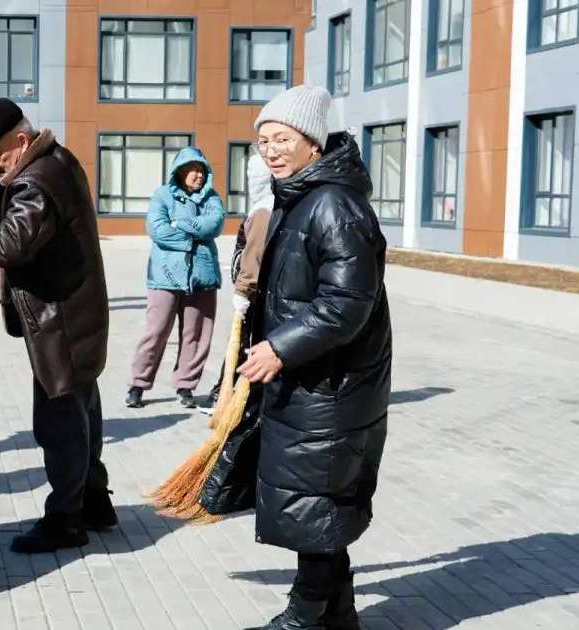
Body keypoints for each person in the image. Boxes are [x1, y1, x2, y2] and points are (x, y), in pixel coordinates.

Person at [236, 85, 391, 630]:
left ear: (314, 144)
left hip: (333, 388)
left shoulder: (335, 205)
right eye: (263, 142)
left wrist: (280, 346)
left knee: (318, 507)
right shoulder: (298, 196)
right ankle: (340, 618)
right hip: (312, 382)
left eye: (283, 139)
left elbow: (348, 302)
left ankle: (301, 619)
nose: (271, 150)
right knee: (320, 505)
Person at [0, 98, 114, 554]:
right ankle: (95, 501)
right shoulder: (58, 161)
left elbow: (9, 244)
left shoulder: (37, 181)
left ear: (21, 141)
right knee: (83, 410)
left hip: (59, 323)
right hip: (75, 317)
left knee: (58, 421)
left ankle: (65, 519)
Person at [125, 147, 225, 410]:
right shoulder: (162, 195)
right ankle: (137, 385)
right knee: (155, 331)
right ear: (180, 171)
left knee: (196, 334)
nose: (199, 175)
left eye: (202, 170)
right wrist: (194, 236)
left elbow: (214, 225)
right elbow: (157, 230)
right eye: (193, 170)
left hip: (202, 277)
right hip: (164, 277)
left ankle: (185, 386)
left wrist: (179, 224)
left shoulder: (212, 198)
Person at [199, 151, 275, 413]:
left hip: (255, 292)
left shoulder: (265, 209)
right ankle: (227, 393)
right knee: (244, 342)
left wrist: (243, 290)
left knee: (242, 343)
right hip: (259, 290)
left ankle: (227, 396)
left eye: (254, 176)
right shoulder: (266, 205)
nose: (250, 180)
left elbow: (253, 255)